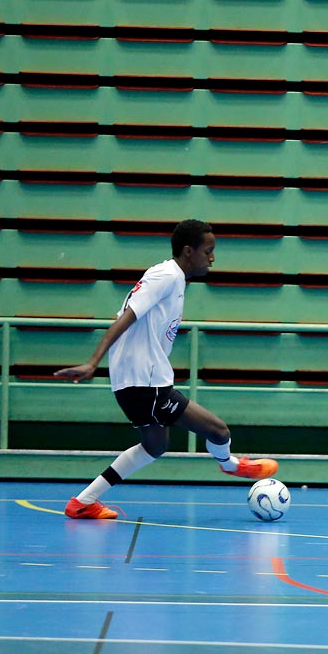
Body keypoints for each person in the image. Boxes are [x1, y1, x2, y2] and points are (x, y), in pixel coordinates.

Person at [54, 219, 277, 519]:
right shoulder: (166, 276)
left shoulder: (174, 280)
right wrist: (93, 362)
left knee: (155, 445)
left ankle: (82, 502)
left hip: (132, 382)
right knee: (218, 430)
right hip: (145, 382)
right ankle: (231, 466)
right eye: (208, 251)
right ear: (188, 251)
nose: (212, 257)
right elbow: (127, 317)